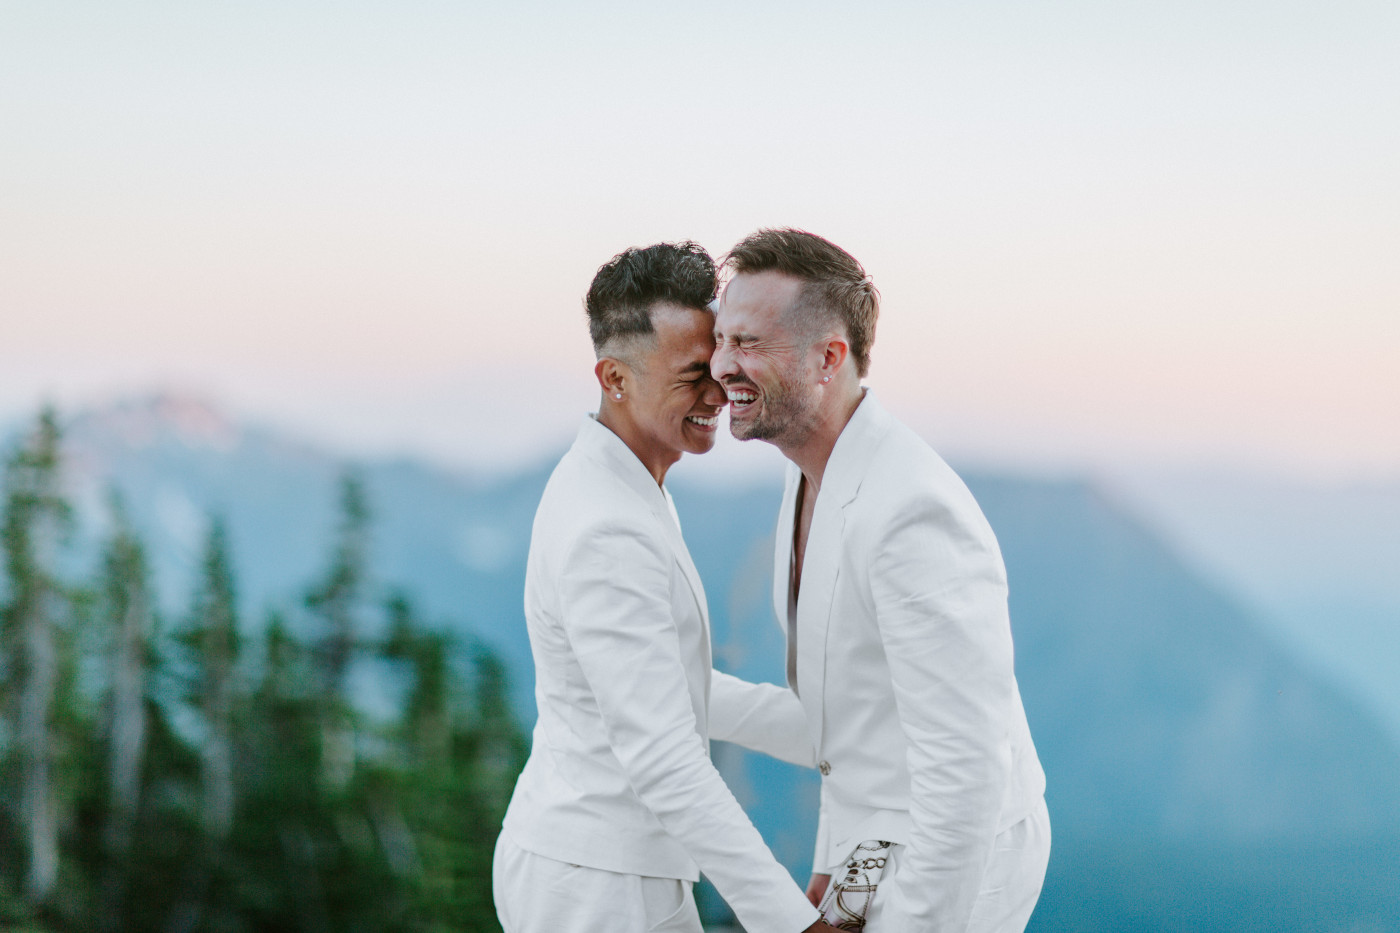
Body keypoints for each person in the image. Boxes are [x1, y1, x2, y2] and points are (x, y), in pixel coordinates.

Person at [493, 241, 840, 933]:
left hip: (608, 872)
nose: (718, 390)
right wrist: (794, 922)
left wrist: (828, 733)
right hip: (596, 891)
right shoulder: (606, 527)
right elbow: (664, 758)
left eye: (715, 366)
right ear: (615, 376)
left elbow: (669, 686)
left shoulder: (627, 479)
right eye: (692, 375)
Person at [710, 228, 1050, 932]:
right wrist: (838, 874)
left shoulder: (912, 512)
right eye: (720, 340)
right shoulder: (811, 479)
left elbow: (966, 773)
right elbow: (851, 723)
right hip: (880, 844)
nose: (720, 365)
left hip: (962, 869)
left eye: (747, 343)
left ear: (828, 357)